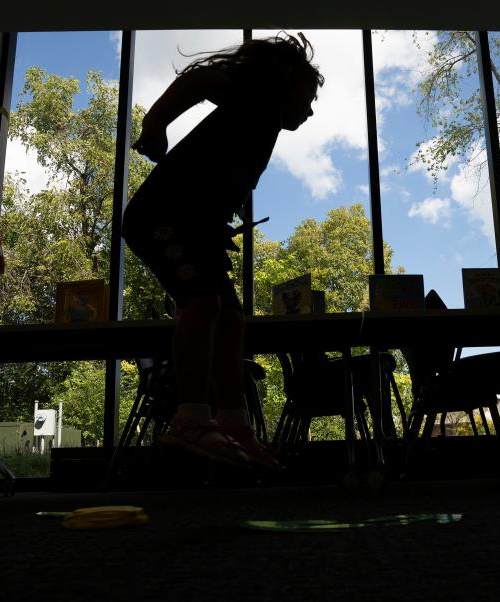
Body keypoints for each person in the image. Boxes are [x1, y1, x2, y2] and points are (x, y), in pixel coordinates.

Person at [122, 33, 323, 469]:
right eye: (306, 97)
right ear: (280, 85)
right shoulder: (253, 101)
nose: (309, 110)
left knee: (231, 318)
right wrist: (155, 124)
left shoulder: (261, 129)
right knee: (203, 302)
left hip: (195, 226)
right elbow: (199, 80)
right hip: (157, 217)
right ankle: (191, 418)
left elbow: (212, 185)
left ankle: (233, 423)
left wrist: (217, 226)